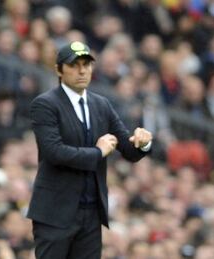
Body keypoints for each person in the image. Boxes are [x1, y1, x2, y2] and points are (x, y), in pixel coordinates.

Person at [27, 41, 153, 259]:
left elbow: (126, 147)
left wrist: (142, 143)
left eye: (86, 64)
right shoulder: (45, 104)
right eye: (74, 65)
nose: (82, 70)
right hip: (55, 212)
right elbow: (54, 152)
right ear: (59, 69)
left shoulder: (101, 105)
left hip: (91, 212)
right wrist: (98, 152)